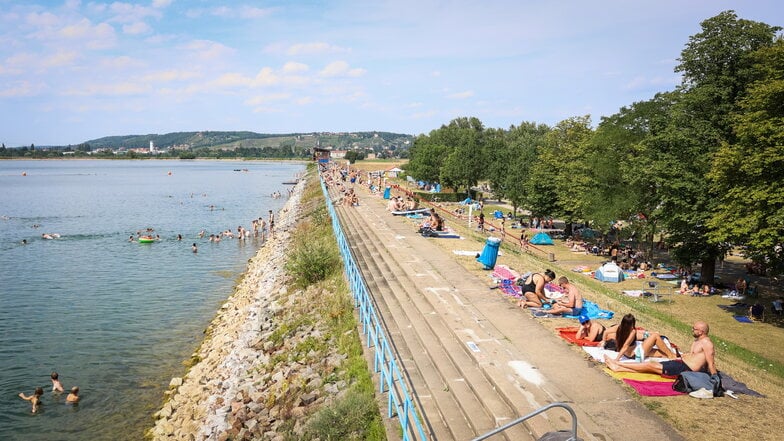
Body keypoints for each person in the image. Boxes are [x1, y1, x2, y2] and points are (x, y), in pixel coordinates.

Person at [605, 321, 717, 377]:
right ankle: (618, 368)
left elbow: (711, 363)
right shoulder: (697, 341)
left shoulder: (707, 343)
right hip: (682, 363)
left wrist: (715, 378)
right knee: (651, 366)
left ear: (701, 332)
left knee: (650, 366)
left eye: (694, 329)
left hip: (685, 368)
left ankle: (618, 365)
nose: (692, 330)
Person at [608, 313, 678, 361]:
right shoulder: (632, 332)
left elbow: (607, 332)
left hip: (630, 354)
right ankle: (671, 356)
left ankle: (673, 356)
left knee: (663, 354)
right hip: (636, 353)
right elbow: (625, 346)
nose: (633, 327)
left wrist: (604, 341)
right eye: (632, 325)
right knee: (655, 336)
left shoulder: (619, 328)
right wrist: (617, 359)